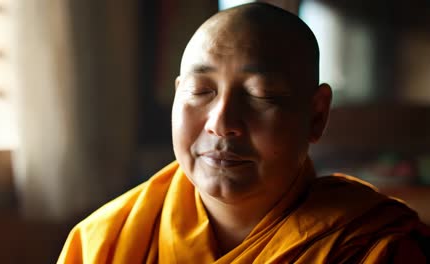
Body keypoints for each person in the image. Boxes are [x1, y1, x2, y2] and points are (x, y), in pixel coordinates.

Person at [58, 3, 430, 263]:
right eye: (201, 91)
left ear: (316, 116)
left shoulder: (372, 248)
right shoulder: (105, 243)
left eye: (260, 95)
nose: (220, 122)